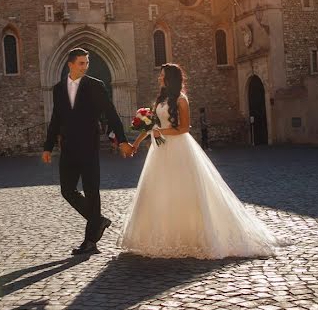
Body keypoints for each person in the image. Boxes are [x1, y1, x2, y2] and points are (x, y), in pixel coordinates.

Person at [118, 63, 281, 259]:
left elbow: (184, 128)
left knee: (183, 191)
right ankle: (159, 236)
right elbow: (151, 126)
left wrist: (161, 131)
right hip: (159, 151)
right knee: (158, 191)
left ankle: (189, 236)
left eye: (162, 76)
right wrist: (135, 144)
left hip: (178, 149)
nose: (159, 79)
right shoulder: (160, 100)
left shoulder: (181, 100)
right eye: (160, 76)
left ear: (171, 79)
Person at [43, 48, 133, 256]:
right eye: (81, 63)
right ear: (71, 65)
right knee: (67, 190)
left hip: (89, 147)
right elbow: (56, 118)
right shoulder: (58, 89)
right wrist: (48, 146)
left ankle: (90, 242)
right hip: (68, 147)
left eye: (86, 63)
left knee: (92, 191)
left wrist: (121, 140)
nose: (85, 67)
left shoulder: (95, 86)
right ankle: (98, 220)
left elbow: (111, 113)